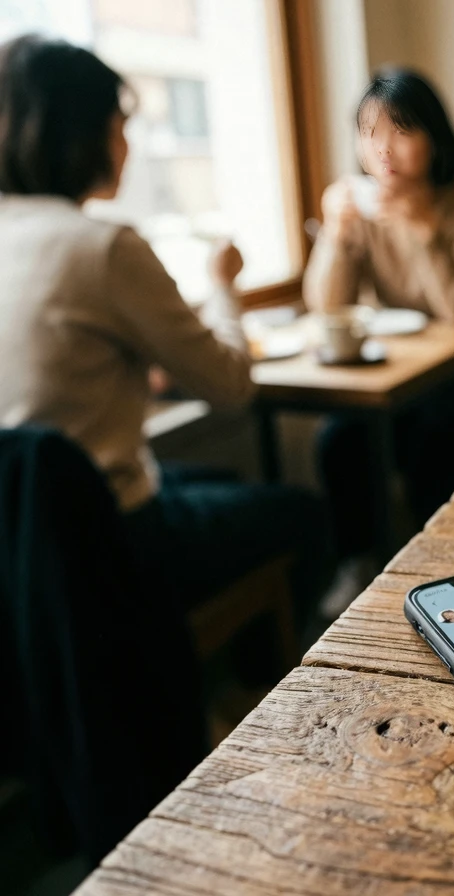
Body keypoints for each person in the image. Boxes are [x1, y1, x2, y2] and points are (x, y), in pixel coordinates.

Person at [0, 36, 332, 632]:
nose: (127, 143)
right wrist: (222, 283)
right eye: (120, 123)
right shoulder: (101, 246)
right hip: (106, 542)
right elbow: (232, 385)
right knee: (303, 514)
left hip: (20, 547)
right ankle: (277, 698)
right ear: (83, 134)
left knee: (223, 483)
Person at [305, 68, 454, 574]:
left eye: (402, 130)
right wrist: (335, 234)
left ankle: (444, 574)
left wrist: (424, 229)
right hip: (407, 379)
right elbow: (326, 305)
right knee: (337, 440)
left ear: (435, 136)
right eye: (368, 132)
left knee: (432, 441)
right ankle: (358, 567)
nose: (383, 149)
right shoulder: (362, 211)